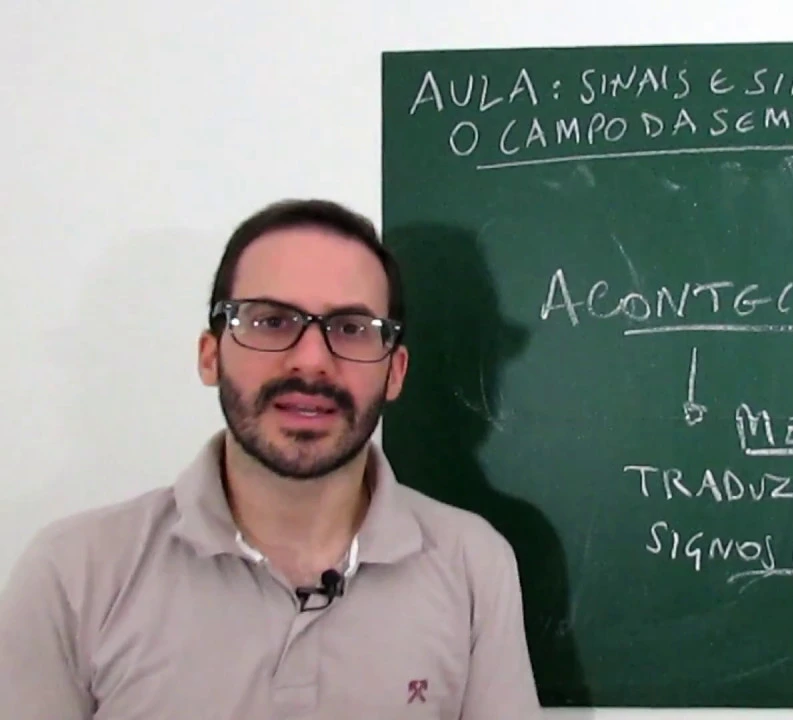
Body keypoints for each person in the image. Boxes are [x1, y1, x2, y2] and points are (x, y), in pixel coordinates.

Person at [0, 199, 543, 718]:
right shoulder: (74, 574)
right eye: (271, 322)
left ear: (395, 371)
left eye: (351, 329)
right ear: (210, 355)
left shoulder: (473, 566)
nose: (311, 361)